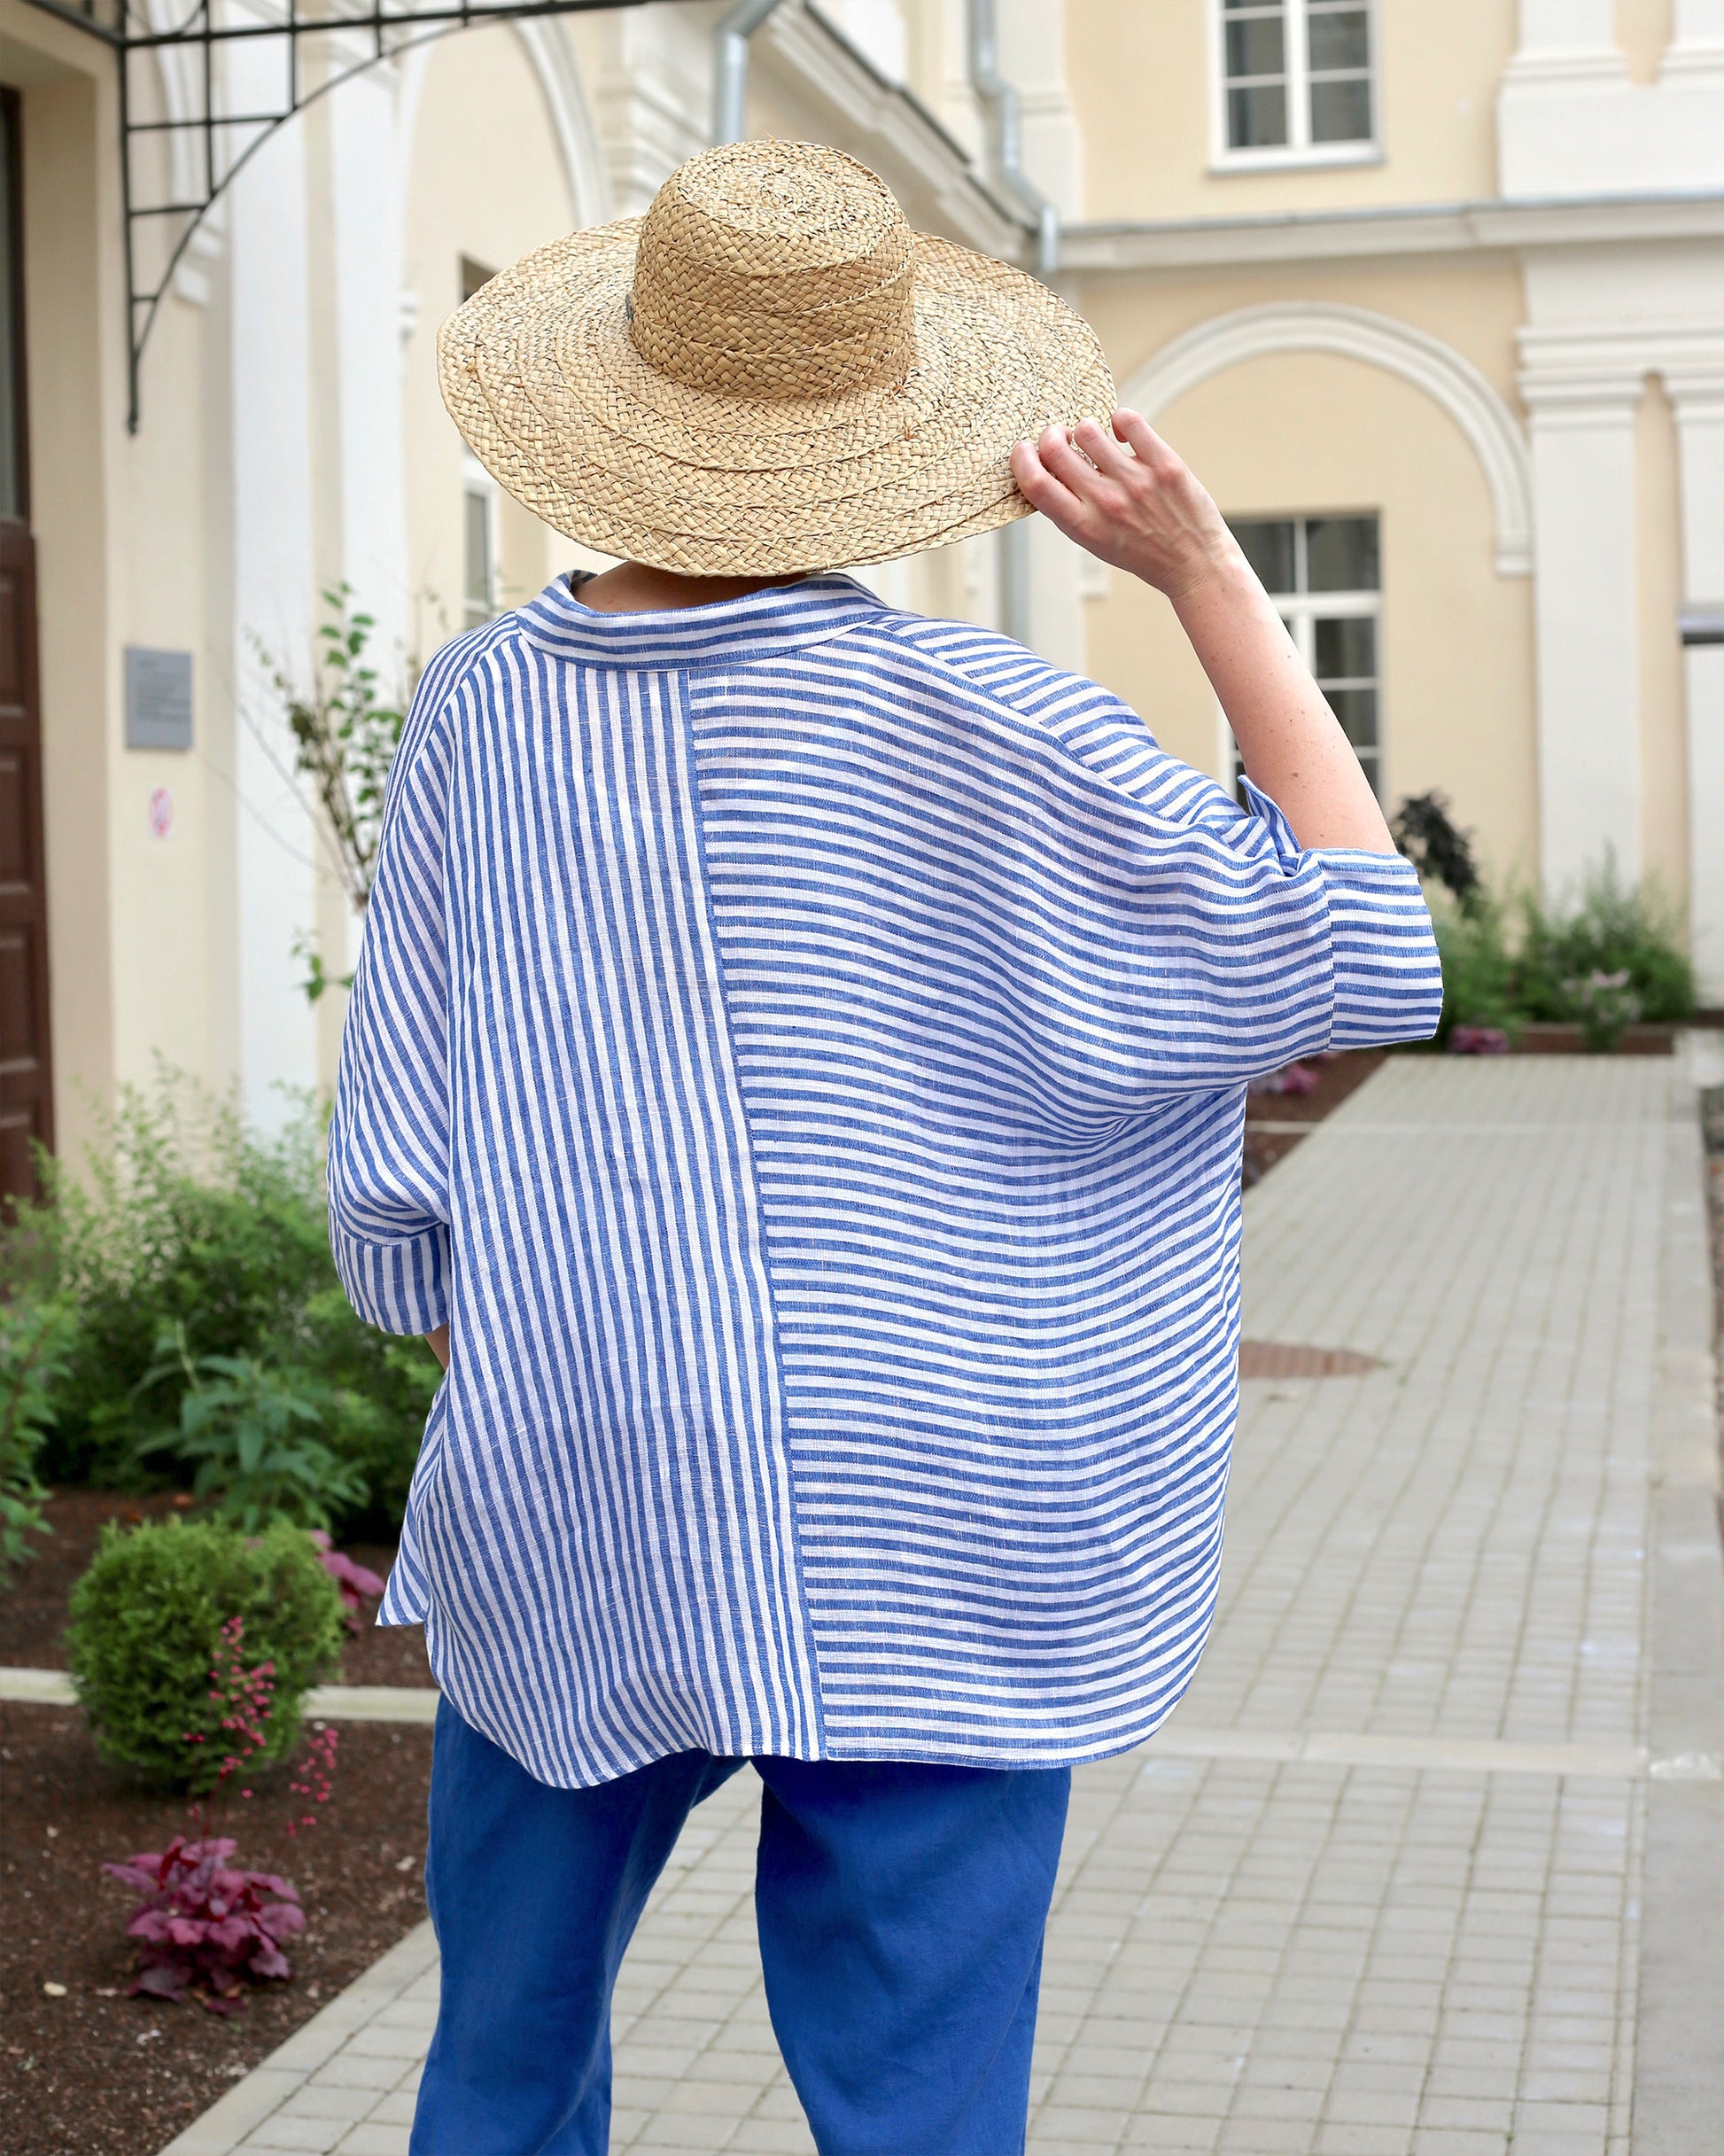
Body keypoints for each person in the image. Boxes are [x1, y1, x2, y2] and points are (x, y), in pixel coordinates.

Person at [329, 139, 1441, 2156]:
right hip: (941, 1505)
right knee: (920, 2108)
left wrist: (564, 1346)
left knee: (496, 2065)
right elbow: (1359, 951)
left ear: (618, 404)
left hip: (584, 1473)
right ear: (885, 431)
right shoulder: (984, 721)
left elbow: (401, 1172)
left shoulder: (478, 713)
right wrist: (1200, 574)